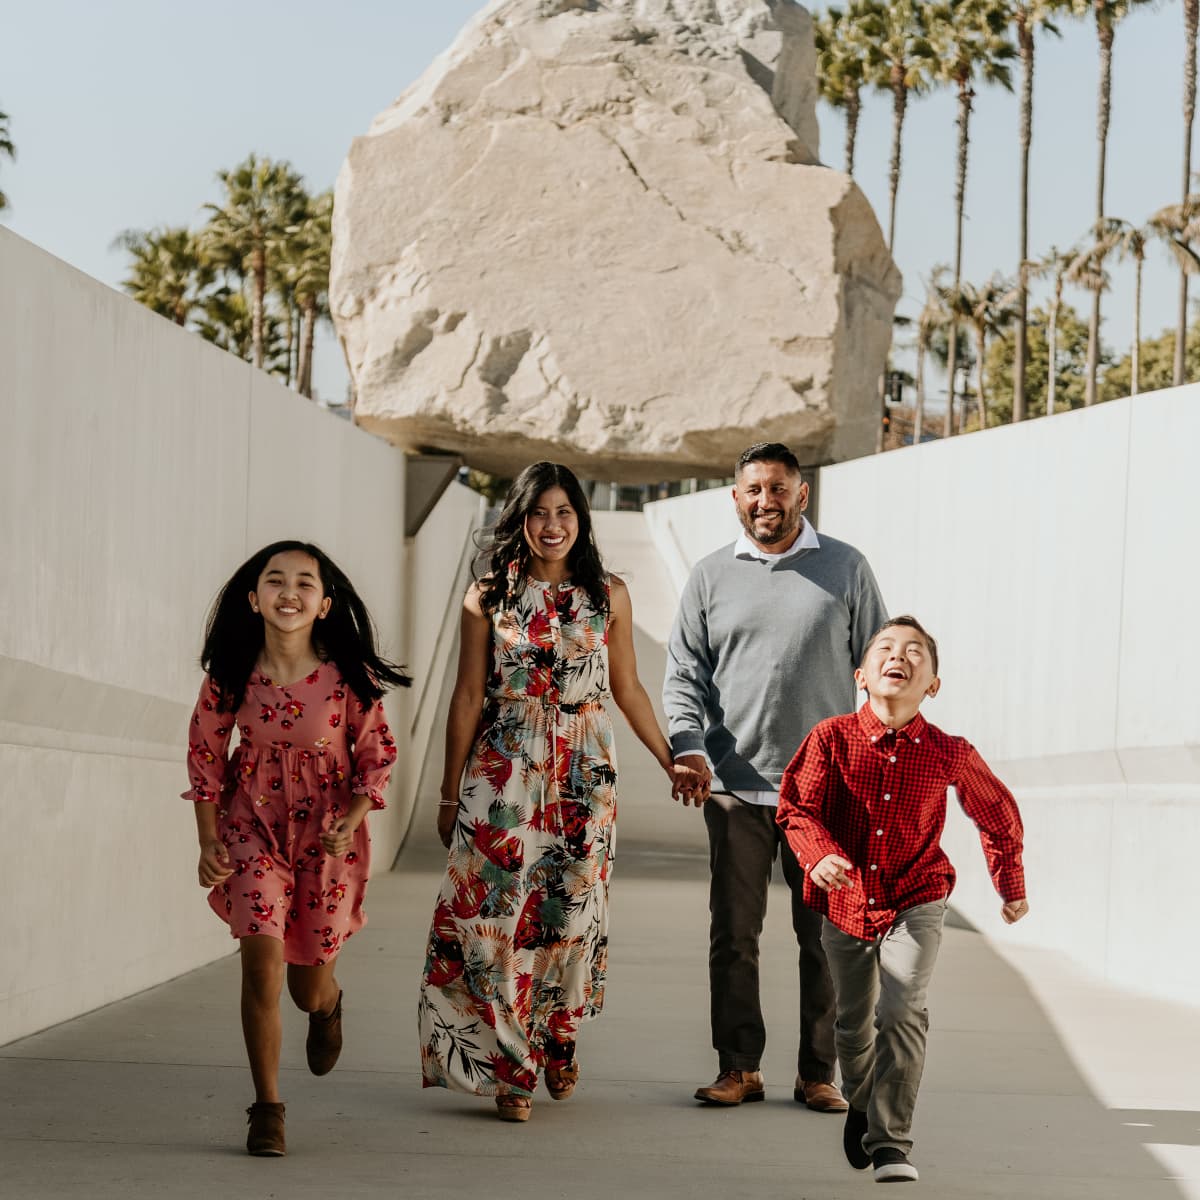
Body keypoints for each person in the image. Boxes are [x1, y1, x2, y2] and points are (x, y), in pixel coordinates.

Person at [418, 461, 706, 1121]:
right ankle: (513, 1069)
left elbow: (627, 688)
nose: (552, 526)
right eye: (540, 512)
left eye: (564, 513)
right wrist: (446, 792)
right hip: (503, 771)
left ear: (581, 520)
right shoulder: (487, 596)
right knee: (494, 919)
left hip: (583, 772)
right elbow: (466, 696)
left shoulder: (608, 594)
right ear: (520, 520)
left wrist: (671, 763)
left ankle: (559, 1032)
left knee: (569, 917)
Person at [663, 441, 887, 1111]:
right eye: (753, 490)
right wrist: (687, 745)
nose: (766, 501)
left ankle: (818, 1073)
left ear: (801, 495)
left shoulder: (846, 568)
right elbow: (683, 674)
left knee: (823, 939)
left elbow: (877, 667)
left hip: (823, 794)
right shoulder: (709, 576)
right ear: (736, 498)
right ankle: (739, 1067)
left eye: (779, 489)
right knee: (734, 935)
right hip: (733, 788)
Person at [777, 616, 1028, 1183]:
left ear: (932, 684)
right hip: (845, 900)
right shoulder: (830, 738)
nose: (901, 656)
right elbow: (796, 808)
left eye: (916, 652)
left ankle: (891, 1142)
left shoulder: (949, 752)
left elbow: (998, 813)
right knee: (852, 1026)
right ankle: (862, 1097)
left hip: (917, 893)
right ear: (862, 675)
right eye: (887, 648)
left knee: (903, 1007)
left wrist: (1010, 886)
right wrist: (817, 854)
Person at [183, 540, 409, 1157]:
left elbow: (376, 756)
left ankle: (328, 1006)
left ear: (325, 604)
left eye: (305, 583)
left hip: (326, 839)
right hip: (251, 830)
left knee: (306, 987)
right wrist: (207, 839)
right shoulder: (230, 675)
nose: (290, 592)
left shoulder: (345, 679)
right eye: (275, 581)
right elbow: (205, 757)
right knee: (260, 965)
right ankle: (267, 1109)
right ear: (254, 599)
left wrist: (354, 815)